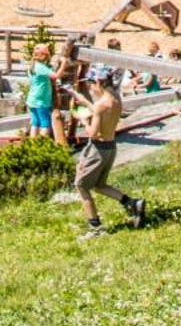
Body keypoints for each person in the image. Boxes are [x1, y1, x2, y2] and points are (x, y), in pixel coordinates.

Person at [70, 66, 144, 237]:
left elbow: (93, 133)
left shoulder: (100, 105)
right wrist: (83, 100)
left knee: (81, 185)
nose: (90, 88)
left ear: (98, 82)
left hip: (97, 149)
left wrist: (82, 119)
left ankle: (95, 228)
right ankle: (132, 203)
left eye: (90, 84)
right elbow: (100, 110)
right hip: (111, 147)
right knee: (99, 185)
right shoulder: (116, 99)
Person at [25, 43, 57, 138]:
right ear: (44, 56)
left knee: (35, 122)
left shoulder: (32, 66)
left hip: (32, 99)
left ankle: (33, 143)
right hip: (41, 100)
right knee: (45, 123)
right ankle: (42, 143)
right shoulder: (41, 67)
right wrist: (63, 64)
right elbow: (55, 76)